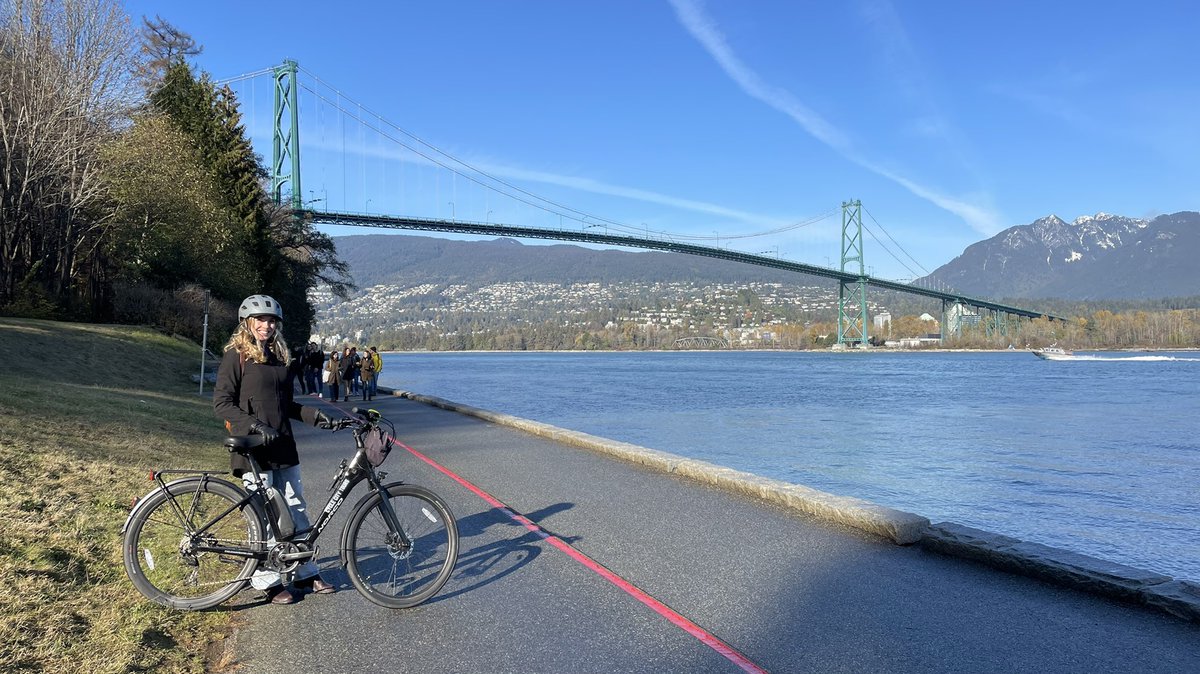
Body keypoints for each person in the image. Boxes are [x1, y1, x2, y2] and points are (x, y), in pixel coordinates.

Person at [213, 294, 339, 605]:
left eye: (271, 321)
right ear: (248, 323)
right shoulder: (236, 356)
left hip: (284, 445)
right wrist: (256, 427)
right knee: (265, 516)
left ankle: (304, 571)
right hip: (254, 449)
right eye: (260, 320)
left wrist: (315, 416)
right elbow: (222, 404)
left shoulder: (282, 357)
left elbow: (287, 405)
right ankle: (267, 580)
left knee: (296, 509)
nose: (266, 325)